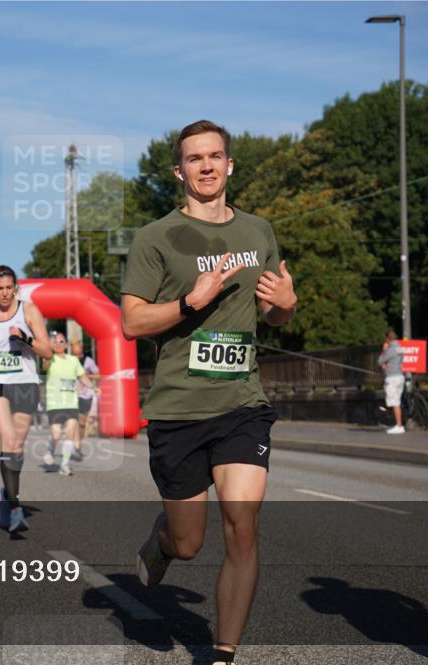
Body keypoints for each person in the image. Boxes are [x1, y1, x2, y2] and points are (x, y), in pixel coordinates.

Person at [122, 119, 297, 665]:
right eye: (194, 158)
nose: (206, 166)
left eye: (215, 156)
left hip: (243, 404)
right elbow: (130, 323)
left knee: (242, 525)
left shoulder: (258, 232)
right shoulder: (156, 238)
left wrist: (286, 305)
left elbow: (271, 313)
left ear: (229, 164)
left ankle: (223, 654)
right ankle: (163, 542)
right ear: (180, 170)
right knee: (190, 541)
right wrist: (189, 303)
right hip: (178, 408)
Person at [0, 265, 51, 532]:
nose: (4, 293)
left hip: (25, 382)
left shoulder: (28, 311)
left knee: (17, 444)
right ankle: (16, 506)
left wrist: (25, 338)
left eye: (9, 288)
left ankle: (7, 493)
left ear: (15, 287)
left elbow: (47, 351)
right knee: (7, 438)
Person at [43, 332, 91, 476]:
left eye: (61, 341)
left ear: (66, 344)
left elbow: (82, 376)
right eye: (55, 342)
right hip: (55, 403)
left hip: (71, 402)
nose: (58, 344)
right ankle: (50, 450)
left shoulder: (73, 360)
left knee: (70, 433)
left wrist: (93, 387)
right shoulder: (49, 359)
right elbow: (45, 367)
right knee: (56, 435)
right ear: (51, 344)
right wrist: (47, 352)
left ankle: (64, 465)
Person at [71, 340, 102, 458]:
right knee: (74, 422)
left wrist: (86, 375)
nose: (75, 352)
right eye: (73, 350)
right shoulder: (69, 361)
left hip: (86, 395)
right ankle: (76, 446)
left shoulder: (88, 361)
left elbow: (98, 375)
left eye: (77, 349)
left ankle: (79, 443)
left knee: (82, 423)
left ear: (81, 350)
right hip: (73, 395)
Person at [378, 330, 406, 434]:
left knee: (394, 402)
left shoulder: (390, 349)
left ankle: (399, 425)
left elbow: (380, 361)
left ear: (388, 339)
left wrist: (383, 350)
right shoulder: (400, 348)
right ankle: (398, 424)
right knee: (397, 401)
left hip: (392, 378)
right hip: (400, 376)